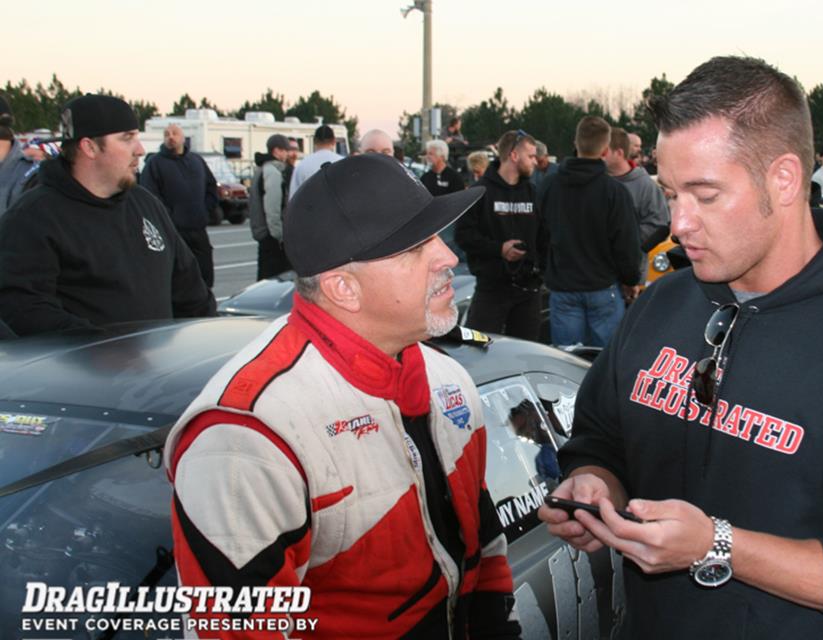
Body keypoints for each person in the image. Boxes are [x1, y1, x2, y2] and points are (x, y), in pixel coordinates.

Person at [538, 56, 823, 639]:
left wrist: (717, 545)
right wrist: (596, 485)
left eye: (705, 195)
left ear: (784, 180)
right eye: (670, 194)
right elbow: (600, 436)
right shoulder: (661, 306)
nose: (679, 224)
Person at [164, 153, 520, 638]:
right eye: (417, 246)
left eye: (437, 236)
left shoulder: (447, 378)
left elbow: (484, 551)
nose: (448, 257)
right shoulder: (247, 433)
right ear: (343, 288)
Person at [0, 94, 215, 336]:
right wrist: (101, 346)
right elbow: (23, 306)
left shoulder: (146, 205)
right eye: (127, 139)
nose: (140, 150)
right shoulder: (32, 218)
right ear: (89, 147)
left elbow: (191, 294)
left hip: (158, 359)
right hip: (82, 360)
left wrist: (210, 339)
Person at [539, 116, 641, 347]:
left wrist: (548, 271)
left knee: (566, 359)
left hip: (564, 286)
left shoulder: (549, 186)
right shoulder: (614, 192)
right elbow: (626, 243)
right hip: (602, 287)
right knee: (605, 359)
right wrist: (630, 279)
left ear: (576, 143)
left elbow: (539, 236)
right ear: (605, 150)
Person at [455, 130, 546, 341]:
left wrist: (540, 270)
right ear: (514, 155)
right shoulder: (480, 192)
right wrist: (499, 249)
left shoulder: (533, 193)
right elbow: (463, 235)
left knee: (525, 351)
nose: (535, 161)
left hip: (528, 290)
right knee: (478, 346)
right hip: (491, 289)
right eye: (531, 156)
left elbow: (545, 237)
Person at [140, 124, 220, 287]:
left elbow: (211, 187)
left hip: (198, 229)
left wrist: (205, 210)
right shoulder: (155, 164)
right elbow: (150, 196)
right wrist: (169, 218)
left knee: (204, 275)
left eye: (174, 133)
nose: (170, 137)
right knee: (179, 279)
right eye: (166, 134)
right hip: (173, 232)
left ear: (183, 138)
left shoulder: (196, 161)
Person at [605, 127, 671, 283]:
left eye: (604, 151)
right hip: (598, 274)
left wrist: (626, 242)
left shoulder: (645, 185)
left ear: (619, 153)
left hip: (630, 274)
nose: (598, 155)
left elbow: (660, 224)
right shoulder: (597, 182)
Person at [248, 134, 292, 279]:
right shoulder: (273, 172)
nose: (288, 154)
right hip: (271, 238)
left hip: (263, 234)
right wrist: (280, 236)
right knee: (276, 277)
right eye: (285, 150)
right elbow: (273, 209)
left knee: (265, 279)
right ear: (276, 151)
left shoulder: (261, 169)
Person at [289, 124, 343, 199]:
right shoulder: (343, 163)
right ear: (334, 141)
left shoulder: (302, 165)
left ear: (314, 141)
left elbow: (293, 198)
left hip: (309, 205)